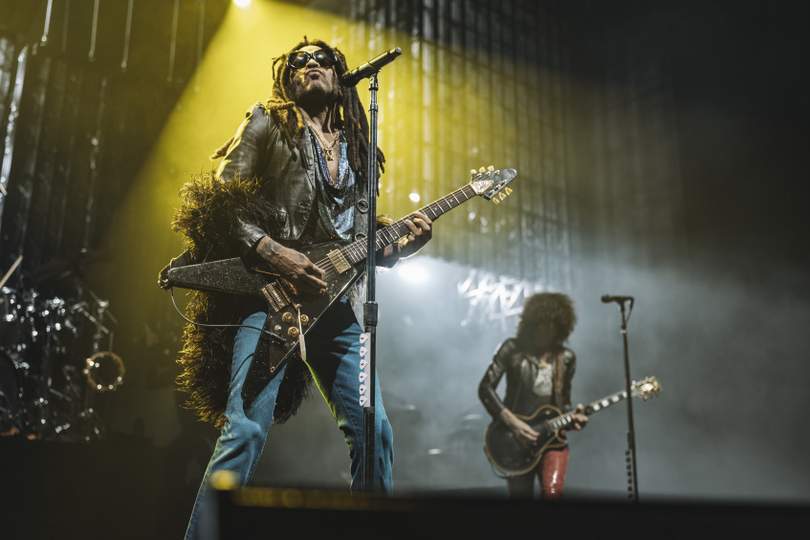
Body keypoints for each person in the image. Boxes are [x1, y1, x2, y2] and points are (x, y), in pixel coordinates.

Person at [171, 38, 432, 539]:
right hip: (267, 296)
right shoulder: (268, 122)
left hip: (335, 306)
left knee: (374, 430)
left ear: (339, 75)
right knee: (245, 429)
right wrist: (272, 251)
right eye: (299, 61)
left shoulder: (360, 148)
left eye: (322, 59)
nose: (310, 64)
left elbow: (358, 243)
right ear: (287, 78)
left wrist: (400, 247)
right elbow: (219, 201)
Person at [478, 292, 588, 499]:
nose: (545, 329)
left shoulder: (566, 358)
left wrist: (574, 420)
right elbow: (485, 388)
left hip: (553, 442)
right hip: (515, 440)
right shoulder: (512, 349)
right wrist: (513, 423)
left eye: (552, 324)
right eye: (541, 323)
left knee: (553, 493)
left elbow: (563, 405)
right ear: (531, 323)